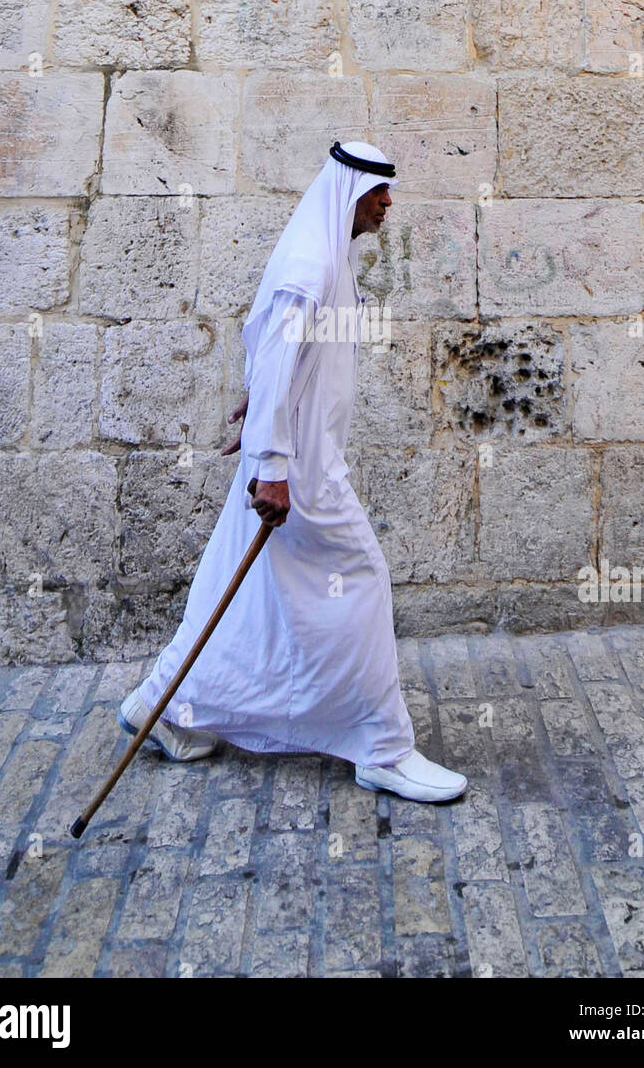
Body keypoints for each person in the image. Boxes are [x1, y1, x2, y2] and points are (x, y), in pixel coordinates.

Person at [119, 141, 467, 803]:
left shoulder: (326, 255)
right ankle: (382, 748)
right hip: (302, 473)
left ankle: (166, 705)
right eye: (378, 192)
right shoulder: (309, 265)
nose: (388, 203)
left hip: (295, 455)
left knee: (243, 588)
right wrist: (271, 464)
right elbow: (278, 351)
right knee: (361, 580)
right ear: (348, 193)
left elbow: (280, 354)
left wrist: (260, 417)